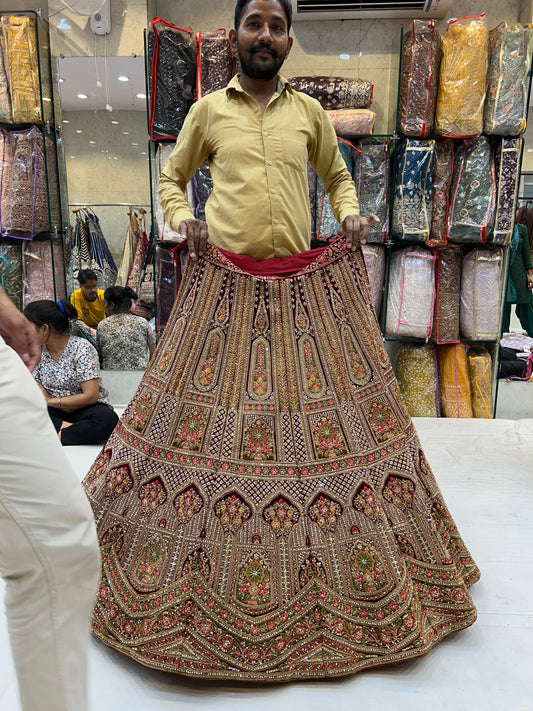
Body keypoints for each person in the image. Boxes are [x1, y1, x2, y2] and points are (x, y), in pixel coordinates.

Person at [82, 0, 479, 683]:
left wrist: (350, 214)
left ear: (288, 39)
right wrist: (182, 221)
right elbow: (173, 179)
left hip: (302, 290)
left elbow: (337, 176)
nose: (265, 36)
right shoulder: (208, 111)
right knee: (204, 426)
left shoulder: (307, 115)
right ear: (235, 34)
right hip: (223, 287)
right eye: (254, 23)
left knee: (320, 428)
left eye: (276, 26)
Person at [0, 284, 100, 711]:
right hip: (51, 406)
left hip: (80, 409)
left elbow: (92, 395)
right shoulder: (37, 349)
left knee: (58, 548)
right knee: (59, 548)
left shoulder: (80, 348)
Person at [23, 299, 119, 446]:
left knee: (108, 420)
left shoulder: (81, 349)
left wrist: (50, 401)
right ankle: (72, 432)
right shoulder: (37, 352)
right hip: (54, 412)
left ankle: (54, 434)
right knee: (23, 411)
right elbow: (34, 386)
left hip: (84, 409)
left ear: (44, 329)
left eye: (28, 328)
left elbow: (90, 396)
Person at [96, 285, 156, 369]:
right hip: (139, 376)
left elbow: (100, 354)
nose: (104, 307)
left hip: (111, 377)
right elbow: (153, 354)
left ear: (112, 305)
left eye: (105, 303)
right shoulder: (142, 323)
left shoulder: (103, 325)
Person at [502, 222, 533, 337]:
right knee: (503, 307)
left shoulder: (521, 229)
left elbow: (526, 252)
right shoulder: (497, 226)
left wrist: (530, 274)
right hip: (501, 272)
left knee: (526, 302)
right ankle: (502, 339)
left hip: (518, 272)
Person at [70, 268, 106, 337]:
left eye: (94, 286)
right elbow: (78, 322)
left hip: (101, 327)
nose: (92, 290)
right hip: (84, 329)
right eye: (88, 287)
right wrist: (91, 331)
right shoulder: (76, 296)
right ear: (80, 286)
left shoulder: (102, 295)